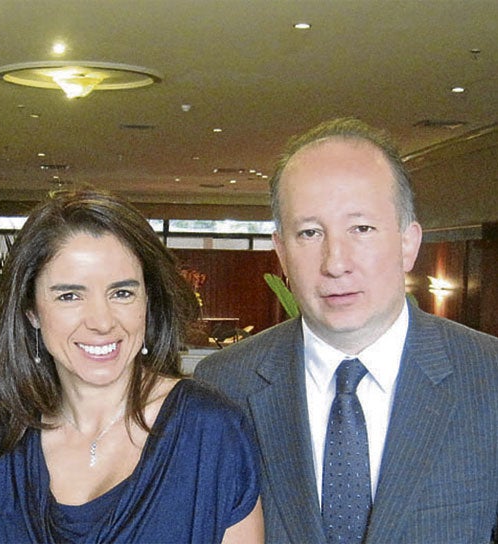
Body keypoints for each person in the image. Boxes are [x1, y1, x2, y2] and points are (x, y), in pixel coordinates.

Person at [195, 117, 498, 543]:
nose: (335, 263)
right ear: (281, 252)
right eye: (309, 232)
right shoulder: (223, 385)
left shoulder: (488, 376)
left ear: (408, 243)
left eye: (362, 229)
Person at [0, 188, 264, 543]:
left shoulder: (211, 431)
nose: (101, 322)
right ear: (31, 311)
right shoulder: (3, 442)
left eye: (122, 293)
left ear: (148, 302)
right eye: (70, 295)